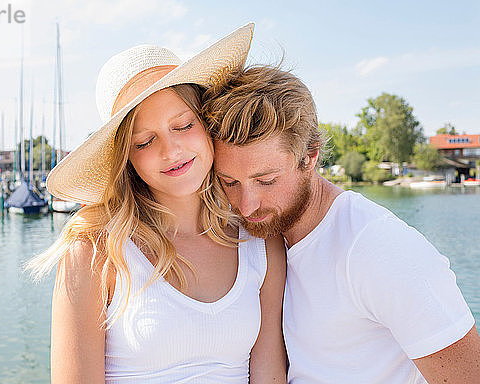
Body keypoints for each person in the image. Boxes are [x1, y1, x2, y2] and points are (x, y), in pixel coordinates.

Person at [27, 24, 287, 383]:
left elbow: (269, 372)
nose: (172, 151)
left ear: (206, 122)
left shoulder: (260, 241)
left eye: (183, 125)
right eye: (145, 141)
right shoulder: (94, 252)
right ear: (126, 158)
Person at [203, 64, 480, 383]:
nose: (246, 204)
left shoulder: (378, 249)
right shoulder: (257, 237)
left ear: (310, 156)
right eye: (229, 182)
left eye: (266, 180)